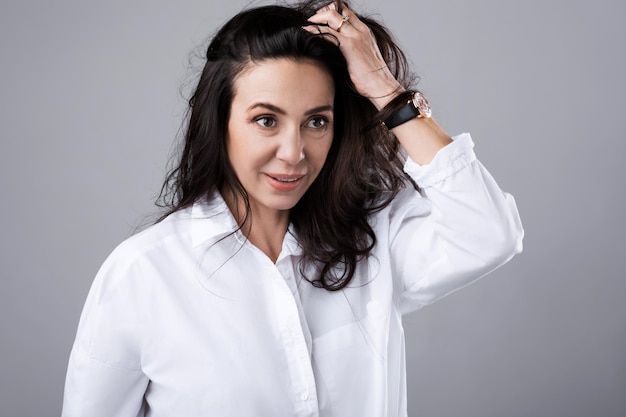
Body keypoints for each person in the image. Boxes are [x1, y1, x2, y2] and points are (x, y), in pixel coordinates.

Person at [62, 0, 523, 416]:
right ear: (218, 122)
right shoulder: (144, 274)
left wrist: (385, 91)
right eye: (266, 120)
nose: (293, 152)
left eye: (316, 122)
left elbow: (488, 234)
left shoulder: (372, 241)